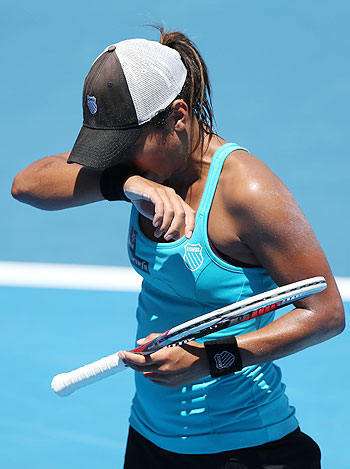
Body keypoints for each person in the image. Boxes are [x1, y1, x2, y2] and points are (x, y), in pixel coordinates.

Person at [12, 28, 344, 469]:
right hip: (151, 439)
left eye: (127, 147)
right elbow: (26, 184)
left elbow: (325, 314)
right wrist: (125, 183)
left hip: (246, 451)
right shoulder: (137, 168)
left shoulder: (247, 191)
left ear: (178, 116)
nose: (119, 156)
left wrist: (211, 359)